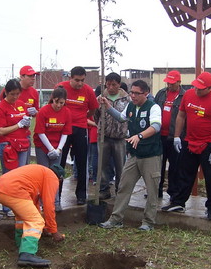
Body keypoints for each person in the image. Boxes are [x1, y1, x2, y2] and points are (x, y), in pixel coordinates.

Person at [161, 72, 211, 221]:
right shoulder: (189, 95)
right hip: (189, 141)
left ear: (210, 88)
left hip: (208, 144)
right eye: (196, 87)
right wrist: (177, 137)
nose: (197, 90)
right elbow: (181, 116)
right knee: (185, 173)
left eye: (201, 88)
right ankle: (179, 202)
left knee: (210, 178)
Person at [98, 80, 162, 231]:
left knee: (152, 190)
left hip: (150, 155)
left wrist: (139, 136)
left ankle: (148, 222)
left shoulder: (154, 107)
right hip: (134, 155)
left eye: (136, 93)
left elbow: (156, 126)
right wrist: (108, 106)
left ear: (146, 93)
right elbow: (121, 117)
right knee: (124, 186)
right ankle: (116, 219)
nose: (132, 95)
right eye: (132, 92)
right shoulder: (131, 106)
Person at [0, 164, 66, 267]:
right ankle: (27, 254)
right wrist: (53, 231)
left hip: (0, 189)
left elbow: (33, 206)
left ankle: (21, 244)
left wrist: (44, 228)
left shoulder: (39, 173)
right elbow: (49, 206)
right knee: (36, 221)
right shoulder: (52, 177)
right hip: (14, 190)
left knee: (23, 218)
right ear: (60, 179)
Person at [57, 66, 98, 205]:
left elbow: (93, 109)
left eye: (82, 80)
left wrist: (82, 117)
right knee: (59, 162)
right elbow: (54, 105)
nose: (79, 83)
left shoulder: (87, 91)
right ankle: (56, 194)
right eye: (77, 80)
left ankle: (81, 194)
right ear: (70, 78)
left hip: (80, 129)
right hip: (63, 130)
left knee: (82, 162)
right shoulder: (61, 87)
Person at [0, 79, 32, 217]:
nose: (15, 97)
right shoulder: (0, 107)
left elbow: (25, 122)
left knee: (20, 176)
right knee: (9, 176)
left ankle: (18, 205)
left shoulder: (21, 105)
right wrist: (19, 125)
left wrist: (27, 122)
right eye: (12, 94)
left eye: (17, 94)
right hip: (8, 145)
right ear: (6, 92)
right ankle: (7, 207)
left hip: (22, 144)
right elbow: (1, 131)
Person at [33, 87, 72, 211]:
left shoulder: (66, 112)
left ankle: (55, 201)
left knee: (55, 175)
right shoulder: (43, 111)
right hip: (43, 146)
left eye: (62, 103)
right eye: (56, 102)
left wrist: (59, 149)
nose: (59, 105)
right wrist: (50, 149)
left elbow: (65, 132)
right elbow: (40, 132)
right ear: (52, 100)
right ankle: (43, 202)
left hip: (57, 147)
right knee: (43, 174)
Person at [94, 72, 130, 200]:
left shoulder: (127, 99)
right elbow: (95, 115)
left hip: (120, 137)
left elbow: (128, 118)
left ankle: (119, 190)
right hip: (104, 137)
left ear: (119, 85)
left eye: (113, 85)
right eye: (108, 85)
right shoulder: (100, 98)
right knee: (102, 165)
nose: (110, 87)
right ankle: (104, 189)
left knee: (121, 166)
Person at [154, 70, 186, 198]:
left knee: (175, 166)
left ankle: (173, 192)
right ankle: (157, 189)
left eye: (172, 83)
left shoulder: (184, 96)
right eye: (168, 83)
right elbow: (154, 109)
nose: (169, 85)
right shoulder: (161, 94)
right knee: (158, 164)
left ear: (179, 82)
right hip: (160, 135)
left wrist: (180, 136)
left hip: (175, 137)